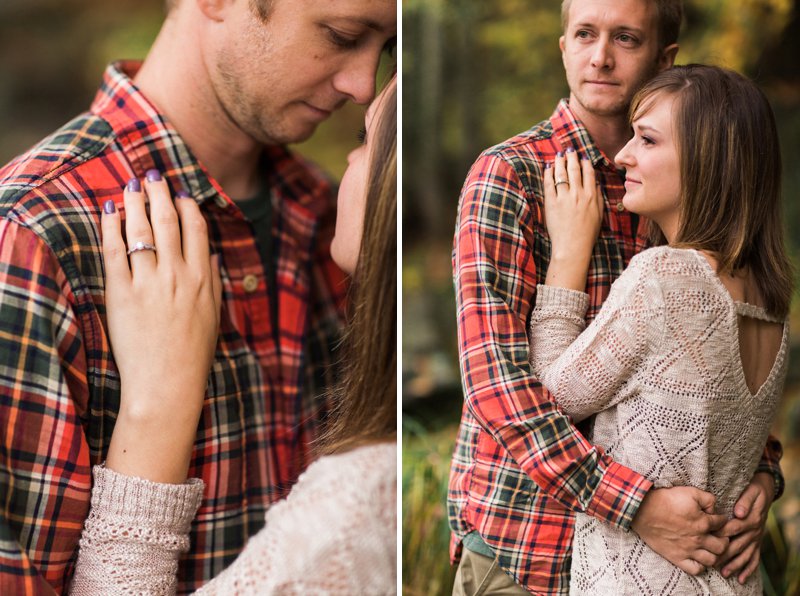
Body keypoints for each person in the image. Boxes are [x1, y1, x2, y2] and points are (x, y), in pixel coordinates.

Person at [0, 0, 395, 592]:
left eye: (383, 49)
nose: (363, 86)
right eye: (341, 36)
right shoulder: (35, 235)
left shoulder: (331, 218)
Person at [447, 0, 783, 593]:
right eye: (584, 34)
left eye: (626, 37)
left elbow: (707, 377)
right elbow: (496, 383)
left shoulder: (671, 187)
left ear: (664, 58)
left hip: (669, 561)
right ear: (563, 47)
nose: (599, 57)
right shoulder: (510, 175)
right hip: (527, 545)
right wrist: (637, 505)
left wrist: (757, 472)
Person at [530, 64, 791, 595]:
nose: (624, 154)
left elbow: (550, 400)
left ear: (707, 161)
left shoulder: (665, 277)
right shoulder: (771, 300)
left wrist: (569, 255)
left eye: (646, 140)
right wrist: (770, 478)